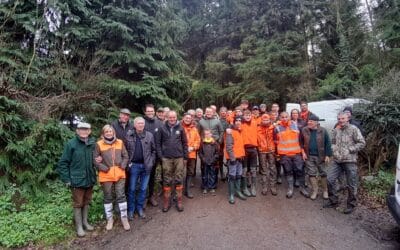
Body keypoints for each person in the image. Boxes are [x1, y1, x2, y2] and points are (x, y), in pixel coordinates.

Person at [57, 122, 97, 237]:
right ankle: (79, 227)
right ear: (77, 131)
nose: (84, 131)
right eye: (81, 129)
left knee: (87, 201)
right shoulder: (71, 144)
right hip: (76, 180)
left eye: (86, 129)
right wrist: (66, 179)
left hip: (89, 178)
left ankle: (85, 223)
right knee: (78, 203)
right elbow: (63, 163)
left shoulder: (92, 143)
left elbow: (96, 158)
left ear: (89, 131)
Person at [324, 112, 365, 214]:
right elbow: (332, 142)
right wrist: (334, 149)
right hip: (337, 160)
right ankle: (333, 201)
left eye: (343, 118)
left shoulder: (353, 129)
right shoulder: (336, 130)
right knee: (329, 179)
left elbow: (362, 143)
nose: (341, 120)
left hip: (350, 160)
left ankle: (351, 205)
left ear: (348, 119)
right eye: (339, 118)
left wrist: (350, 149)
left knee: (351, 184)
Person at [94, 125, 130, 231]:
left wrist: (123, 165)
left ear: (113, 132)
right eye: (107, 131)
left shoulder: (120, 142)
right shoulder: (98, 144)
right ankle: (109, 219)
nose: (109, 133)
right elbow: (95, 160)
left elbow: (126, 156)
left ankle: (124, 218)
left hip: (120, 174)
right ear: (103, 133)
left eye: (110, 131)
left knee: (121, 196)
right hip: (106, 175)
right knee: (108, 197)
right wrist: (104, 168)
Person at [156, 110, 188, 212]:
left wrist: (185, 157)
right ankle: (166, 201)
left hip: (179, 157)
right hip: (166, 158)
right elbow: (158, 144)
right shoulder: (162, 128)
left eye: (174, 117)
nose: (172, 119)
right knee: (167, 179)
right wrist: (161, 156)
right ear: (167, 117)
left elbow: (184, 143)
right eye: (170, 117)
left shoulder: (181, 128)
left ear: (176, 117)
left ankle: (179, 201)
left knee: (179, 178)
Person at [126, 117, 156, 220]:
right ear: (134, 125)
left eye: (142, 123)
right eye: (138, 123)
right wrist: (127, 163)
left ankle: (139, 208)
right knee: (132, 189)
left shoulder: (149, 135)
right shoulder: (129, 135)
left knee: (143, 189)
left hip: (146, 166)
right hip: (133, 166)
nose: (141, 125)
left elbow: (154, 151)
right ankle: (130, 210)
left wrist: (151, 162)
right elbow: (124, 151)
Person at [274, 112, 309, 198]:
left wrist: (303, 152)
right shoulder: (277, 128)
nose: (284, 118)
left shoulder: (295, 125)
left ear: (289, 117)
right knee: (288, 171)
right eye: (282, 117)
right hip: (284, 155)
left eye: (286, 117)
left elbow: (301, 140)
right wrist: (277, 155)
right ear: (280, 118)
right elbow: (275, 142)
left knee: (300, 170)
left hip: (297, 153)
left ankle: (302, 188)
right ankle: (290, 189)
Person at [300, 114, 332, 200]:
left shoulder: (323, 131)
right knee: (311, 173)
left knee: (323, 173)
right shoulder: (304, 130)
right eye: (308, 121)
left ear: (316, 122)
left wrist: (328, 155)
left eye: (311, 121)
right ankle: (315, 191)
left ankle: (325, 191)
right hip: (309, 156)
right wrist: (303, 152)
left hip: (321, 156)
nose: (309, 122)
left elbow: (328, 143)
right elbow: (301, 142)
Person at [143, 104, 163, 207]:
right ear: (145, 112)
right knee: (142, 178)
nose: (150, 113)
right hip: (142, 155)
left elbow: (162, 140)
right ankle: (143, 198)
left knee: (151, 177)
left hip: (154, 155)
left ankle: (150, 196)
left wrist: (160, 155)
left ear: (154, 111)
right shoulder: (142, 122)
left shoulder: (159, 123)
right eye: (148, 111)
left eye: (152, 111)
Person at [225, 116, 247, 204]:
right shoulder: (230, 132)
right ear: (234, 122)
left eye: (240, 121)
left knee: (238, 175)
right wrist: (232, 158)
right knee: (232, 176)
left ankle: (238, 191)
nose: (238, 122)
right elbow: (229, 147)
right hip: (233, 159)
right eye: (236, 121)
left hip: (240, 158)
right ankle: (231, 194)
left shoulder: (240, 131)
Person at [181, 113, 201, 198]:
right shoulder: (179, 128)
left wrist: (193, 147)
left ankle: (187, 190)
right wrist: (184, 148)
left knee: (190, 172)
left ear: (191, 119)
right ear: (183, 118)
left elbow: (198, 140)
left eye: (189, 118)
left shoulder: (194, 129)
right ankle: (179, 191)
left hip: (192, 153)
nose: (188, 119)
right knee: (180, 172)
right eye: (186, 118)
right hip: (181, 154)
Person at [257, 114, 277, 196]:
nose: (265, 121)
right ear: (261, 120)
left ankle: (273, 186)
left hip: (271, 150)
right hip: (262, 151)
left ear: (270, 120)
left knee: (272, 168)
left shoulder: (273, 127)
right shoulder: (257, 129)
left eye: (267, 120)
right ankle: (264, 186)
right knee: (263, 169)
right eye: (264, 120)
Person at [241, 109, 259, 197]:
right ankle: (244, 188)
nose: (247, 117)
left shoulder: (255, 123)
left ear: (251, 115)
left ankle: (253, 187)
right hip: (244, 149)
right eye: (246, 115)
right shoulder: (240, 124)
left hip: (253, 149)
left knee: (253, 169)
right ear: (243, 116)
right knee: (244, 169)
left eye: (249, 115)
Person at [199, 129, 219, 195]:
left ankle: (212, 187)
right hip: (204, 162)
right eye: (205, 134)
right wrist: (203, 159)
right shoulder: (202, 143)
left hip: (212, 162)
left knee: (212, 175)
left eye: (208, 134)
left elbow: (217, 153)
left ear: (211, 134)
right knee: (204, 175)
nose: (207, 135)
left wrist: (214, 159)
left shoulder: (215, 143)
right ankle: (205, 187)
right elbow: (200, 153)